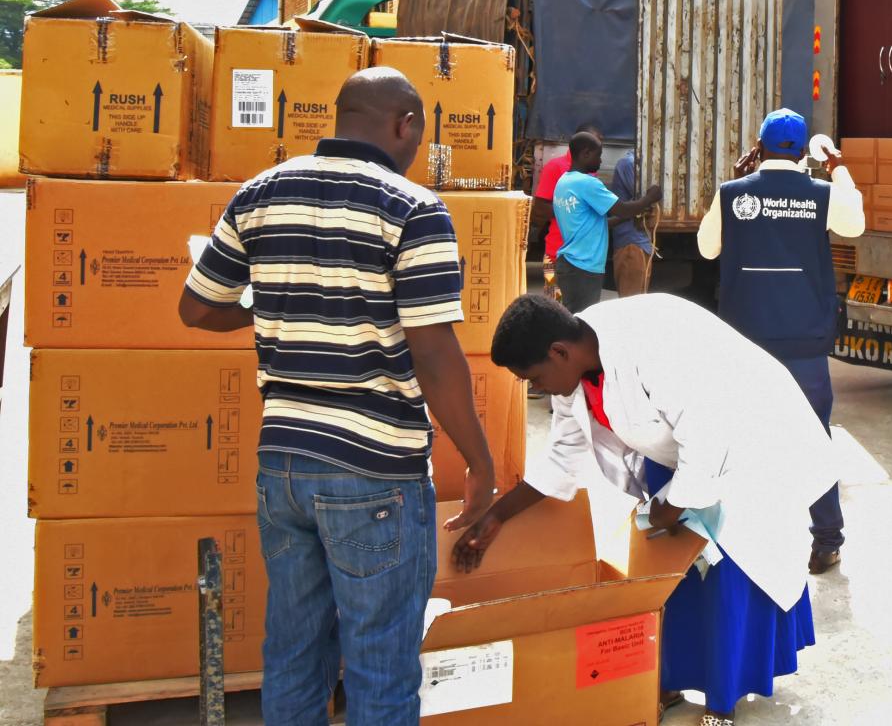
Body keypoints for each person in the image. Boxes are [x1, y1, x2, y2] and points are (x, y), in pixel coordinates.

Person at [178, 67, 495, 725]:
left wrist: (272, 304)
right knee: (380, 668)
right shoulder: (412, 208)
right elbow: (434, 354)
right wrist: (481, 463)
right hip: (376, 474)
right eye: (417, 134)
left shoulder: (261, 193)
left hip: (284, 468)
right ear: (404, 124)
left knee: (294, 653)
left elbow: (197, 309)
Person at [452, 293, 835, 726]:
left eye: (535, 379)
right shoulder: (575, 363)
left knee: (728, 575)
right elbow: (563, 454)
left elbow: (709, 436)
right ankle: (670, 674)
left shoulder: (652, 342)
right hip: (680, 452)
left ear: (559, 352)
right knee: (671, 576)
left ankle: (722, 701)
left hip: (747, 444)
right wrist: (497, 515)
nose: (537, 390)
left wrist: (671, 507)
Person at [698, 109, 864, 575]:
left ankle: (737, 541)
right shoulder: (821, 194)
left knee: (738, 441)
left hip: (745, 346)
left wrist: (732, 184)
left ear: (758, 147)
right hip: (805, 345)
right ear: (804, 152)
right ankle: (826, 541)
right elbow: (855, 227)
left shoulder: (733, 194)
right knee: (814, 442)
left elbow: (708, 249)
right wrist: (838, 168)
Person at [552, 131, 661, 312]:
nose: (601, 162)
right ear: (585, 153)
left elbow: (600, 223)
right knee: (583, 323)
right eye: (598, 156)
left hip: (569, 263)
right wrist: (649, 198)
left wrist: (633, 214)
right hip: (584, 267)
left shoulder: (564, 181)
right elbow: (623, 209)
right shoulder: (587, 183)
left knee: (572, 318)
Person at [530, 123, 601, 261]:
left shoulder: (591, 171)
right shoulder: (555, 167)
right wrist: (575, 210)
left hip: (584, 256)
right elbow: (540, 210)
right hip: (556, 253)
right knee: (553, 283)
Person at [609, 150, 655, 296]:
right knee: (631, 304)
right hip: (631, 244)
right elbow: (645, 198)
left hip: (638, 242)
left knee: (637, 303)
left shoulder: (637, 164)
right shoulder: (629, 164)